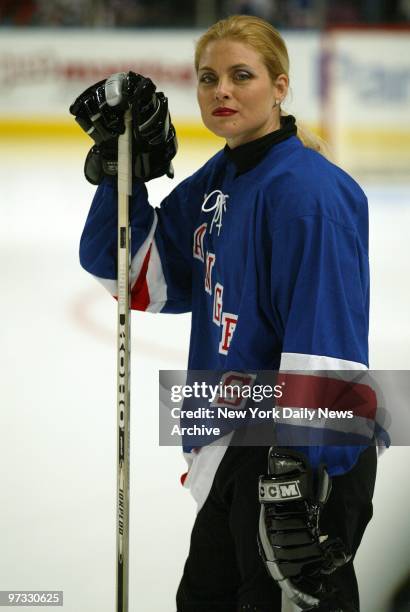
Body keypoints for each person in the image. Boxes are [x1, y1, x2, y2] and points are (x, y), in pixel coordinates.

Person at [71, 14, 378, 612]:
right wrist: (121, 171)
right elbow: (133, 273)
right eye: (209, 78)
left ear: (281, 85)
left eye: (242, 76)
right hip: (240, 440)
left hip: (294, 457)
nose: (222, 91)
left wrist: (297, 480)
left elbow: (327, 344)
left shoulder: (310, 194)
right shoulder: (225, 178)